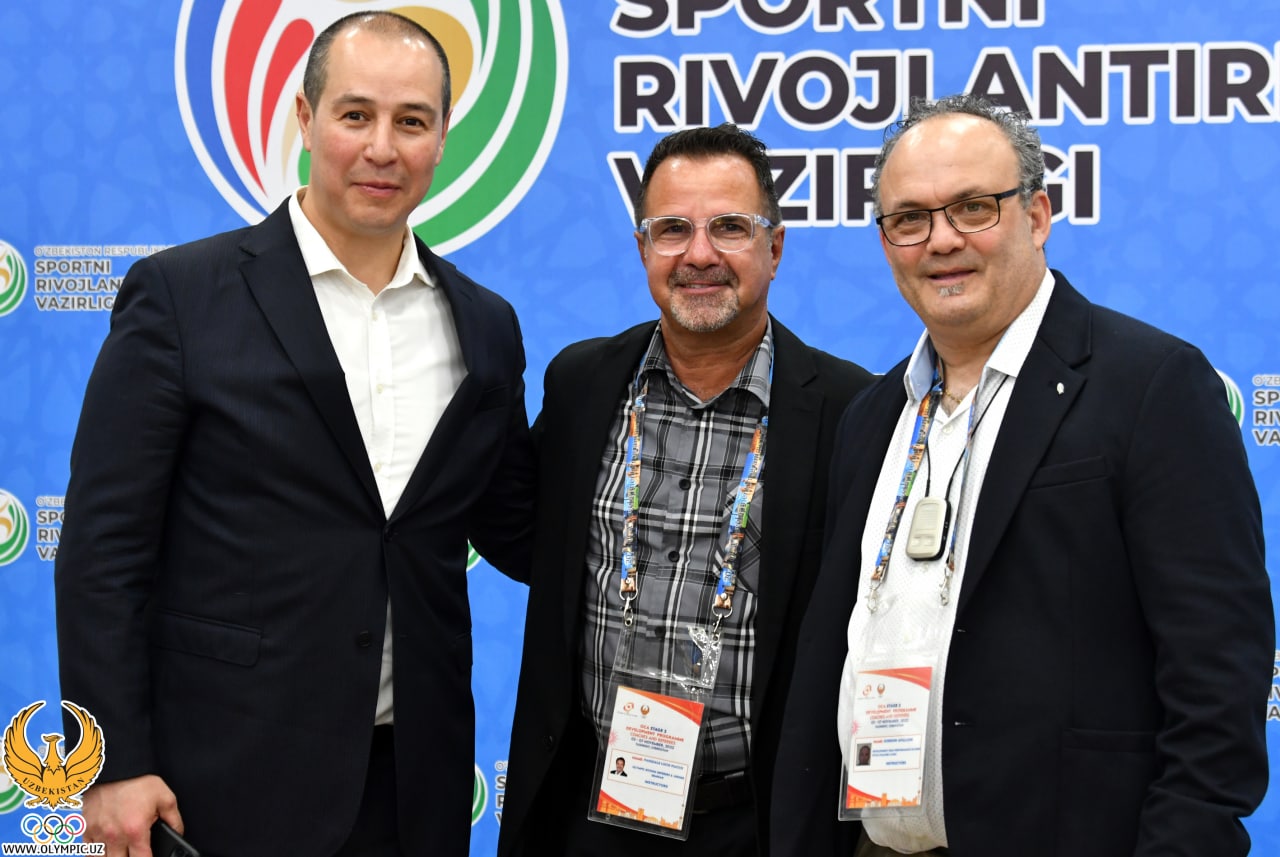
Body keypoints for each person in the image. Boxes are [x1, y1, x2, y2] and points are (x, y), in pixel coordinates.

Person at [54, 11, 533, 857]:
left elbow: (518, 526)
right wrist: (111, 760)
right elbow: (103, 550)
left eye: (411, 121)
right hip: (223, 781)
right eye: (356, 115)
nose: (382, 148)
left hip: (415, 787)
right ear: (305, 121)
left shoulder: (484, 325)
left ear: (441, 138)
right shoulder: (181, 296)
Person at [771, 93, 1272, 857]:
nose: (941, 239)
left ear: (1037, 216)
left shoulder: (1151, 386)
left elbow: (1218, 675)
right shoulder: (873, 414)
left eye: (974, 207)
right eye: (909, 218)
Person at [497, 124, 874, 857]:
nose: (699, 254)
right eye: (672, 229)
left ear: (775, 248)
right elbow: (530, 543)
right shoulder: (581, 384)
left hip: (757, 820)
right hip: (589, 811)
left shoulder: (850, 409)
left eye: (729, 227)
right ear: (642, 248)